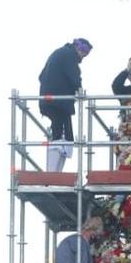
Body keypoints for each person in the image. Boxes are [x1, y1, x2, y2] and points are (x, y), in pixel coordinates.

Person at [37, 37, 90, 172]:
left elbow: (41, 76)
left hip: (52, 101)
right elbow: (74, 77)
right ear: (79, 49)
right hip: (58, 103)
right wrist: (79, 90)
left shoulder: (60, 54)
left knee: (64, 137)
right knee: (60, 137)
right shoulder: (68, 55)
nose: (84, 57)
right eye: (85, 53)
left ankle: (54, 174)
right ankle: (52, 175)